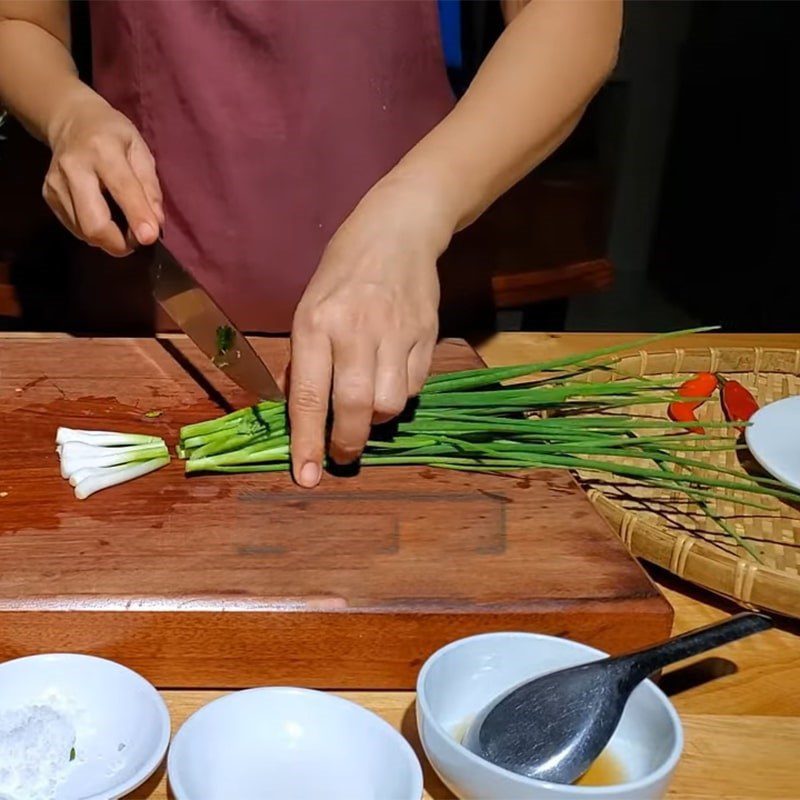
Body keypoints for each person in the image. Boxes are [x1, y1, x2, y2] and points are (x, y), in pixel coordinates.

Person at [0, 0, 621, 487]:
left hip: (412, 325)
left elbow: (572, 13)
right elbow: (19, 20)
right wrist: (66, 113)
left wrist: (413, 211)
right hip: (141, 329)